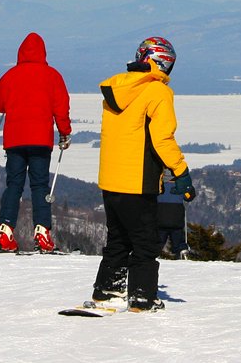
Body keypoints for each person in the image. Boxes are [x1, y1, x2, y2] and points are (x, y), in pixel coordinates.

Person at [92, 36, 195, 312]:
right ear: (161, 62)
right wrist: (181, 171)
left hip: (111, 179)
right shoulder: (157, 92)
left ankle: (107, 291)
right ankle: (142, 298)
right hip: (137, 180)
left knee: (117, 239)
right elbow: (162, 139)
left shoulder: (117, 87)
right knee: (145, 243)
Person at [0, 32, 72, 253]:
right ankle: (43, 232)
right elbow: (61, 108)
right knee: (39, 185)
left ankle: (5, 229)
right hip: (40, 141)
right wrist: (65, 133)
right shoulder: (52, 76)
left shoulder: (11, 75)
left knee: (14, 185)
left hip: (15, 139)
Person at [157, 186, 190, 259]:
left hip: (161, 216)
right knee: (178, 240)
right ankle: (182, 251)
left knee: (158, 241)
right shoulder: (181, 185)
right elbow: (189, 196)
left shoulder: (158, 183)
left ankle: (154, 254)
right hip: (176, 217)